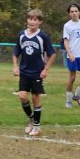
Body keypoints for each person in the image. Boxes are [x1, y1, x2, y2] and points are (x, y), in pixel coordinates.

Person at [13, 9, 56, 137]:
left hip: (37, 72)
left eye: (35, 19)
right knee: (22, 96)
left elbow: (52, 54)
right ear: (27, 20)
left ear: (40, 22)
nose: (32, 21)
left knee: (35, 97)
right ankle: (31, 119)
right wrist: (15, 67)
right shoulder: (21, 35)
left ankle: (37, 127)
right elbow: (16, 53)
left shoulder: (43, 36)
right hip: (24, 71)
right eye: (30, 19)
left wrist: (46, 69)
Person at [62, 3, 80, 108]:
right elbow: (66, 41)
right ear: (69, 13)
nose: (74, 13)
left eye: (76, 11)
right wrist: (69, 53)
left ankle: (77, 95)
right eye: (72, 11)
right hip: (73, 55)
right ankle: (68, 100)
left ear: (79, 12)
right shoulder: (67, 25)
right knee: (72, 78)